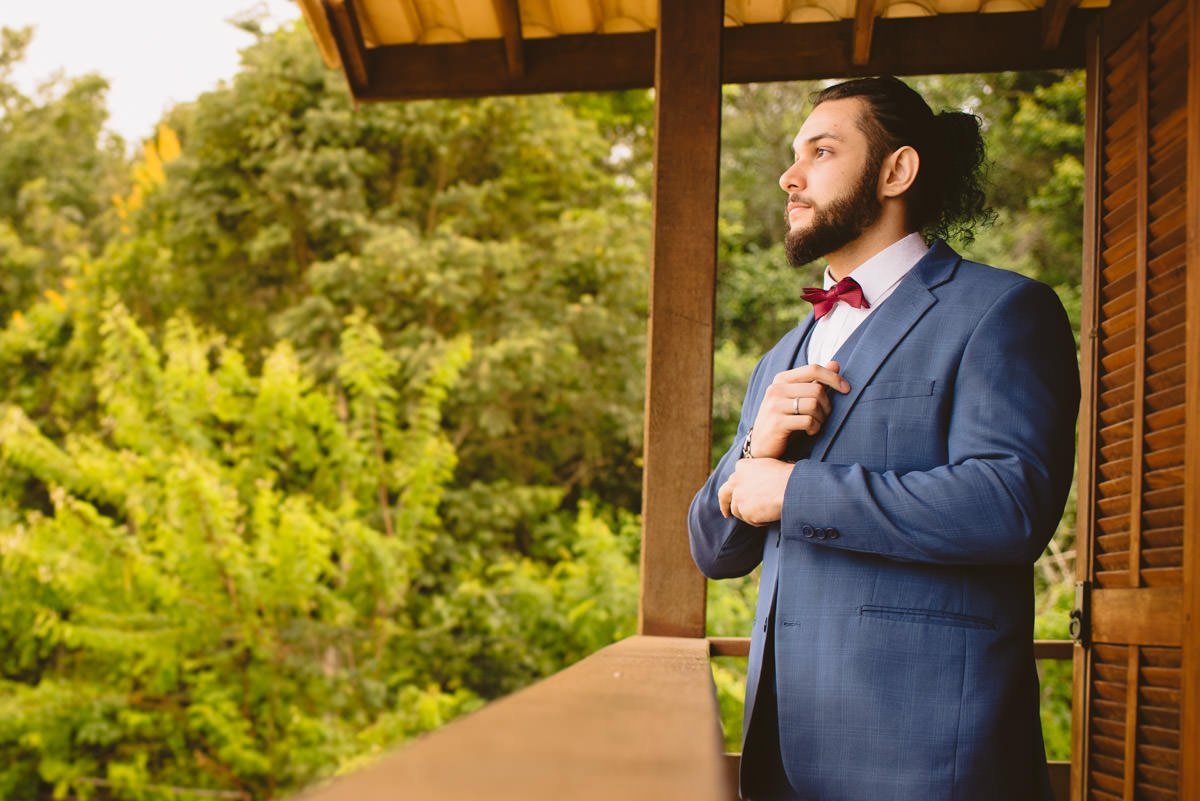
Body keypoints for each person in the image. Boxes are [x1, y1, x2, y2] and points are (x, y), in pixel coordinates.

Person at [688, 76, 1080, 801]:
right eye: (792, 154)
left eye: (821, 151)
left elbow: (1010, 504)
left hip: (931, 762)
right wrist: (754, 455)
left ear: (897, 170)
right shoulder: (781, 355)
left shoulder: (1004, 311)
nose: (789, 175)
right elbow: (713, 549)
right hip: (779, 760)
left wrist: (794, 489)